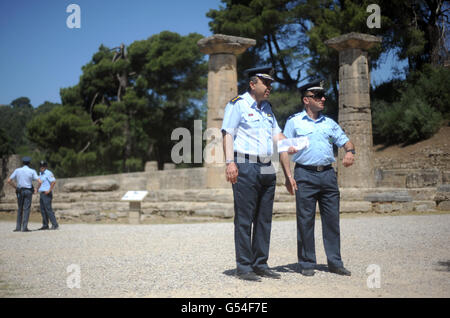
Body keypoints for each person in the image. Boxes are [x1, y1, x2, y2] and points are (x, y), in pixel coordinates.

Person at [221, 66, 290, 282]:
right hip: (245, 164)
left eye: (270, 84)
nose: (270, 87)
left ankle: (260, 263)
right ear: (253, 84)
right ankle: (244, 266)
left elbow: (277, 135)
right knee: (244, 219)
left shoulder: (268, 108)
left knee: (264, 218)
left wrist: (290, 144)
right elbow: (228, 133)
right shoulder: (237, 105)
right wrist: (230, 162)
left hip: (267, 166)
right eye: (266, 83)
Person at [281, 80, 355, 277]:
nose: (323, 99)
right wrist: (288, 177)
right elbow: (283, 151)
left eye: (323, 96)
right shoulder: (294, 122)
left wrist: (350, 152)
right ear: (306, 100)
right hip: (304, 174)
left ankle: (335, 262)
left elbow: (346, 142)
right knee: (305, 220)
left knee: (332, 220)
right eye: (317, 96)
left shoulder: (329, 123)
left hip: (328, 175)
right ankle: (306, 262)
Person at [7, 156, 39, 232]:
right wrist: (36, 189)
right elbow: (40, 181)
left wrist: (16, 187)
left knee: (20, 209)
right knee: (26, 209)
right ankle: (24, 227)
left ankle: (18, 227)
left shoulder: (17, 170)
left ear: (22, 163)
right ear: (29, 163)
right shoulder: (32, 171)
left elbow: (9, 180)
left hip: (20, 191)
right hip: (28, 191)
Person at [37, 161, 59, 230]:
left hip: (47, 193)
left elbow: (53, 181)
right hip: (42, 193)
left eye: (43, 166)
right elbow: (40, 183)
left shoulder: (49, 173)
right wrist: (37, 189)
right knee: (43, 210)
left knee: (48, 209)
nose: (42, 167)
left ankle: (55, 224)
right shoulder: (40, 173)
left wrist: (49, 190)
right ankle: (45, 225)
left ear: (46, 167)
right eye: (41, 166)